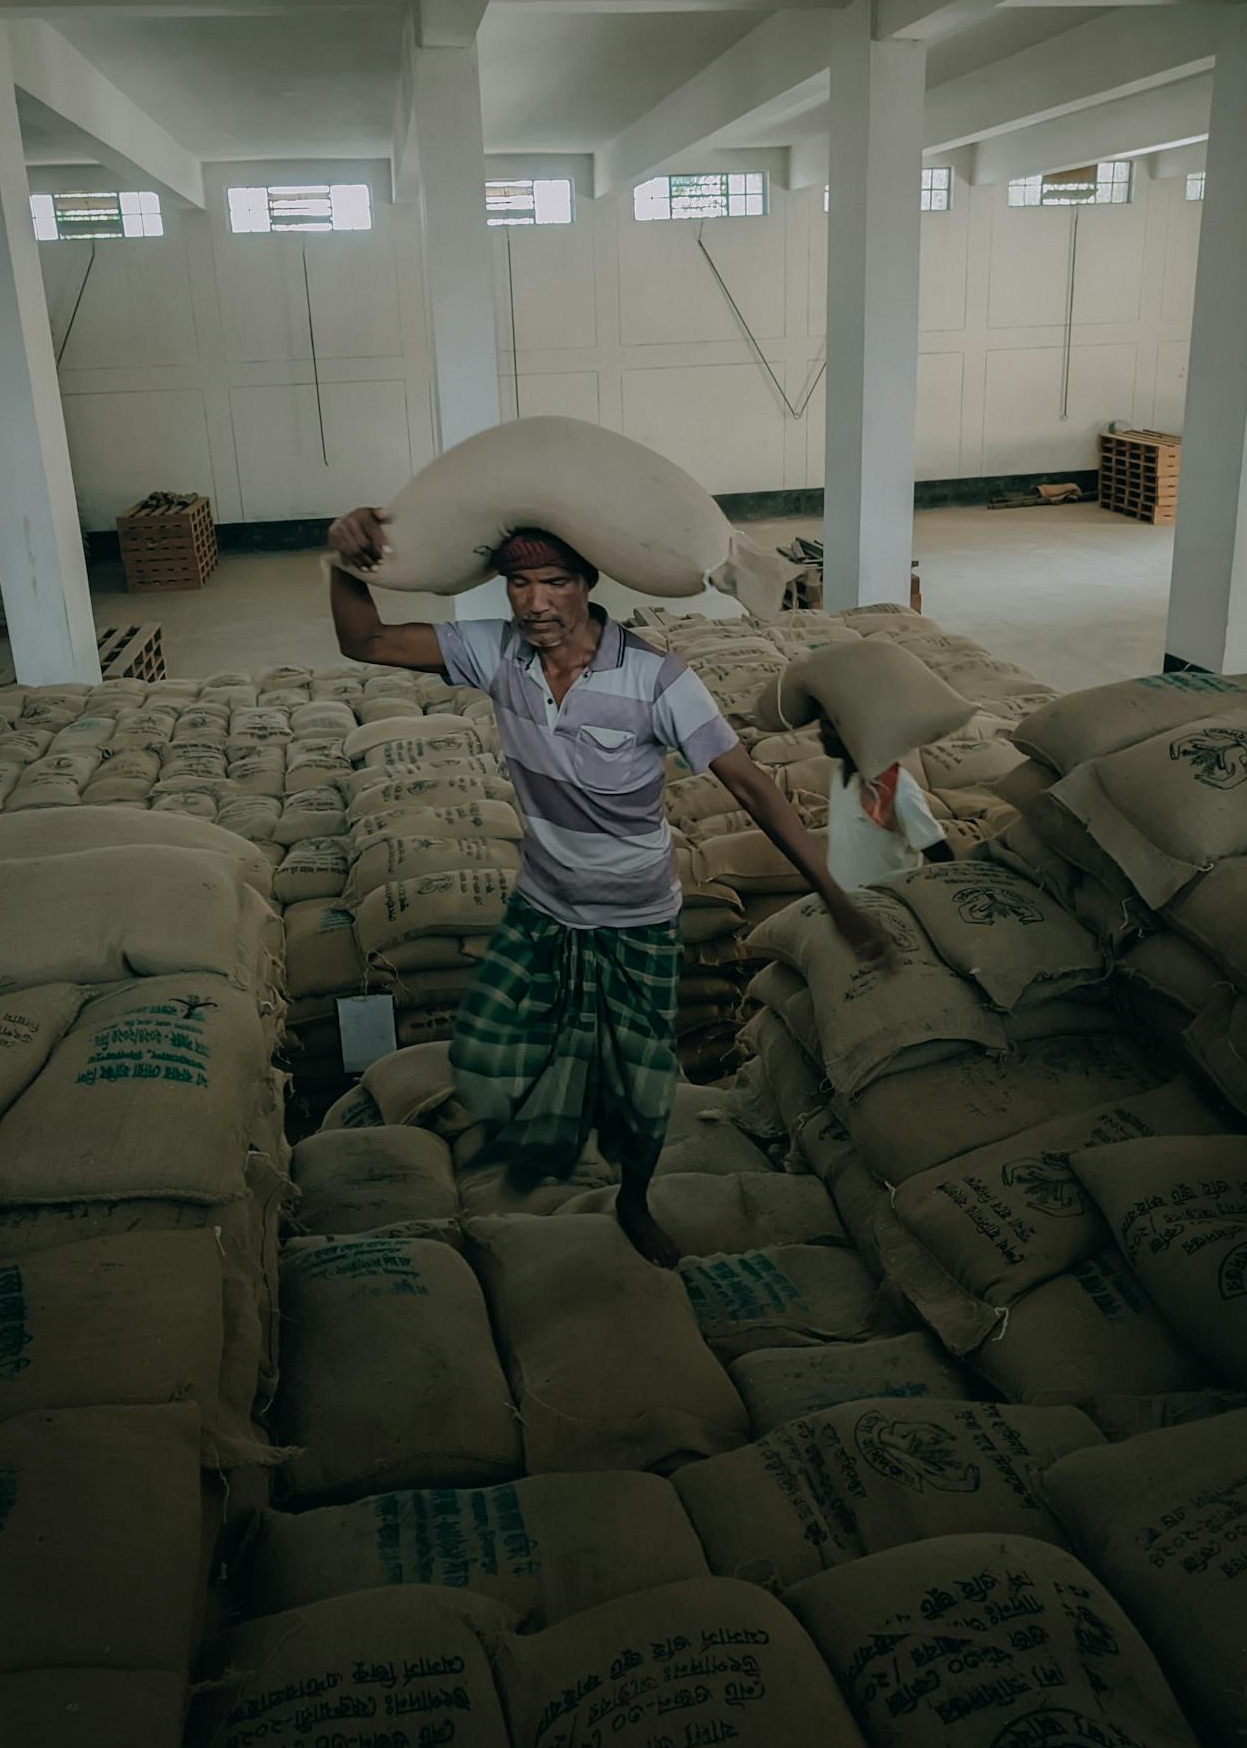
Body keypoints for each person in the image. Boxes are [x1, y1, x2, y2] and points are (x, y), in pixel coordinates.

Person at [324, 506, 890, 1265]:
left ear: (587, 585)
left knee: (640, 1076)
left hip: (634, 915)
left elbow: (753, 787)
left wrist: (833, 893)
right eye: (518, 583)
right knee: (501, 1050)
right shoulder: (493, 654)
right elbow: (365, 641)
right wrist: (344, 561)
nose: (533, 602)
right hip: (544, 904)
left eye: (553, 581)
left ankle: (634, 1197)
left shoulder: (656, 678)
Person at [818, 715, 954, 889]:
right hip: (843, 899)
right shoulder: (838, 774)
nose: (822, 735)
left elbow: (938, 851)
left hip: (883, 905)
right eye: (823, 726)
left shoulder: (894, 785)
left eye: (831, 727)